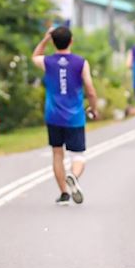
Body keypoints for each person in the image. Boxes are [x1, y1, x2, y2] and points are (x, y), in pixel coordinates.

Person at [32, 26, 98, 204]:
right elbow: (90, 90)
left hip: (53, 116)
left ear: (54, 42)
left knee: (57, 153)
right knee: (78, 155)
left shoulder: (48, 62)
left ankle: (63, 193)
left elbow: (35, 56)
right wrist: (94, 108)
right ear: (71, 41)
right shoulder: (81, 63)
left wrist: (46, 39)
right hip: (75, 116)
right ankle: (74, 176)